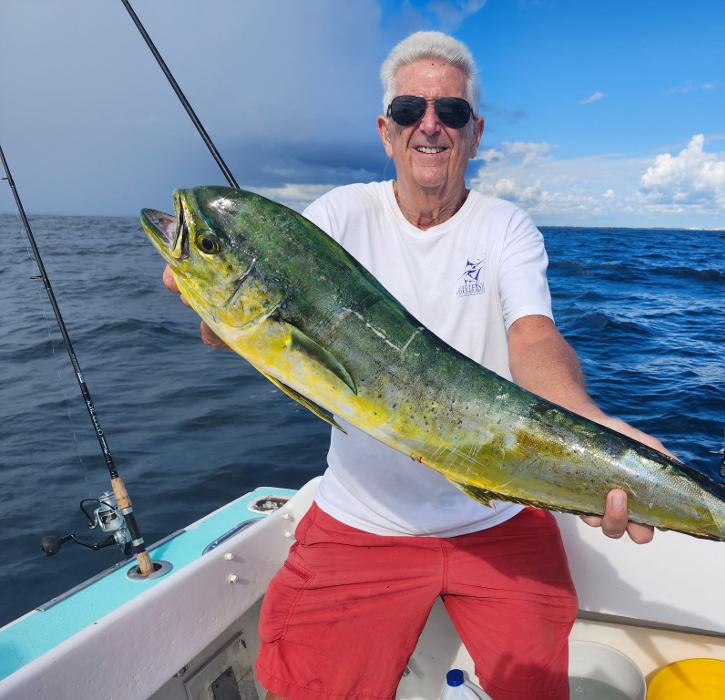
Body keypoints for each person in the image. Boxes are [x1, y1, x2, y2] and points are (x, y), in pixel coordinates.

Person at [164, 30, 669, 700]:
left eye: (450, 112)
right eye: (409, 110)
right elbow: (237, 327)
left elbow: (532, 334)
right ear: (385, 130)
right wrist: (206, 293)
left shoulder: (506, 226)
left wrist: (589, 421)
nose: (429, 125)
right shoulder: (339, 214)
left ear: (475, 133)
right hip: (363, 519)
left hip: (501, 516)